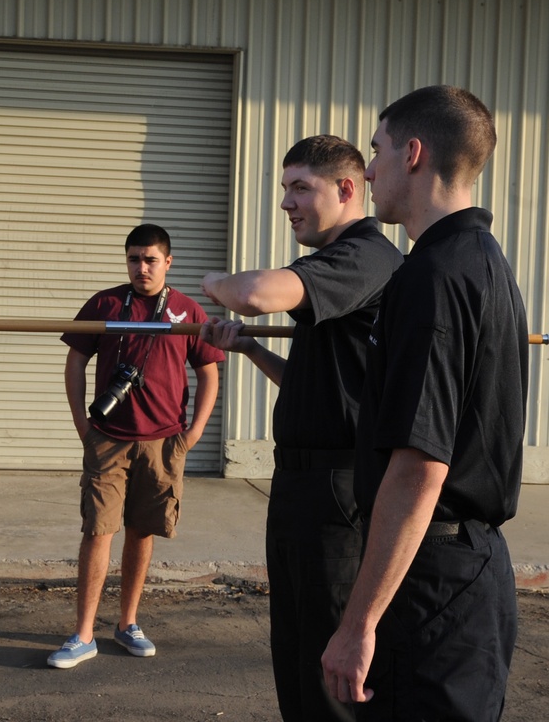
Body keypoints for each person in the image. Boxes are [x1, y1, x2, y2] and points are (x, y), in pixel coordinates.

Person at [320, 86, 528, 720]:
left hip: (433, 582)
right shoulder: (483, 261)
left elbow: (420, 466)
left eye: (377, 151)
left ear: (413, 154)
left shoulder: (432, 279)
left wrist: (358, 624)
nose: (370, 168)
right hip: (464, 568)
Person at [198, 136, 404, 721]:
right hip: (301, 486)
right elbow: (326, 387)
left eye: (300, 188)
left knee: (328, 665)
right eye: (284, 189)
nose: (287, 203)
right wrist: (252, 352)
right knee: (296, 655)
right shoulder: (336, 277)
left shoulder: (362, 257)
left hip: (339, 490)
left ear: (346, 189)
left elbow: (255, 293)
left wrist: (214, 282)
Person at [48, 223, 223, 669]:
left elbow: (208, 371)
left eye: (150, 260)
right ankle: (83, 634)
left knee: (142, 530)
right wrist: (81, 424)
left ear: (168, 261)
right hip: (108, 439)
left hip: (164, 442)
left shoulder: (186, 310)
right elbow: (74, 361)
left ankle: (127, 624)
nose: (141, 267)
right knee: (97, 529)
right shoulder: (106, 303)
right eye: (133, 259)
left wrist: (196, 431)